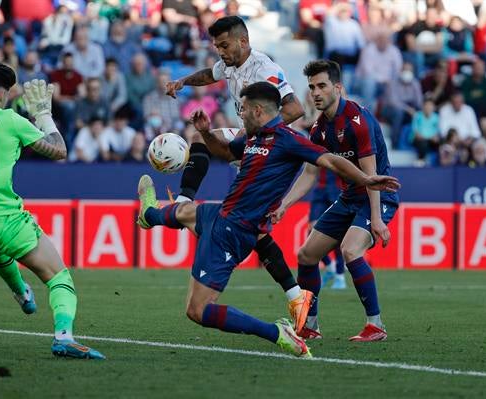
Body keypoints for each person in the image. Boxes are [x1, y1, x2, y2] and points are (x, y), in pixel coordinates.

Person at [135, 82, 399, 356]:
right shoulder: (253, 137)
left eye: (244, 109)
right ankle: (149, 214)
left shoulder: (290, 140)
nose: (241, 114)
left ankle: (276, 332)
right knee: (185, 211)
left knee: (197, 310)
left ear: (258, 110)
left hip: (233, 232)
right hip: (223, 213)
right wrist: (204, 133)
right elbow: (224, 152)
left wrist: (366, 178)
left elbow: (331, 161)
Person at [0, 63, 104, 360]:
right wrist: (44, 116)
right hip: (1, 219)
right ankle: (64, 338)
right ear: (2, 94)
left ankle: (22, 293)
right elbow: (59, 151)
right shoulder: (9, 120)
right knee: (60, 278)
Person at [164, 15, 309, 331]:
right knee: (200, 140)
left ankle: (184, 202)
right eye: (216, 46)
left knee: (247, 223)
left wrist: (256, 137)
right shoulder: (229, 64)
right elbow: (210, 73)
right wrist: (184, 82)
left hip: (271, 148)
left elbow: (296, 110)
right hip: (252, 139)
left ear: (243, 41)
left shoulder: (265, 69)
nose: (220, 52)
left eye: (224, 45)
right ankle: (297, 296)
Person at [272, 60, 400, 342]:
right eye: (311, 87)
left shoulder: (358, 121)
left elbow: (371, 176)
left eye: (321, 86)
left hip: (378, 196)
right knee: (306, 255)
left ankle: (375, 325)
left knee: (351, 250)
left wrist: (377, 219)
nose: (315, 93)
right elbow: (309, 172)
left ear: (338, 88)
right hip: (349, 197)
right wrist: (283, 205)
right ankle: (310, 326)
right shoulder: (318, 129)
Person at [310, 170, 346, 290]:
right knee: (311, 233)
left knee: (337, 235)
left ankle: (340, 276)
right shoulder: (318, 150)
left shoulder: (341, 151)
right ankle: (331, 268)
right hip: (320, 193)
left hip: (337, 192)